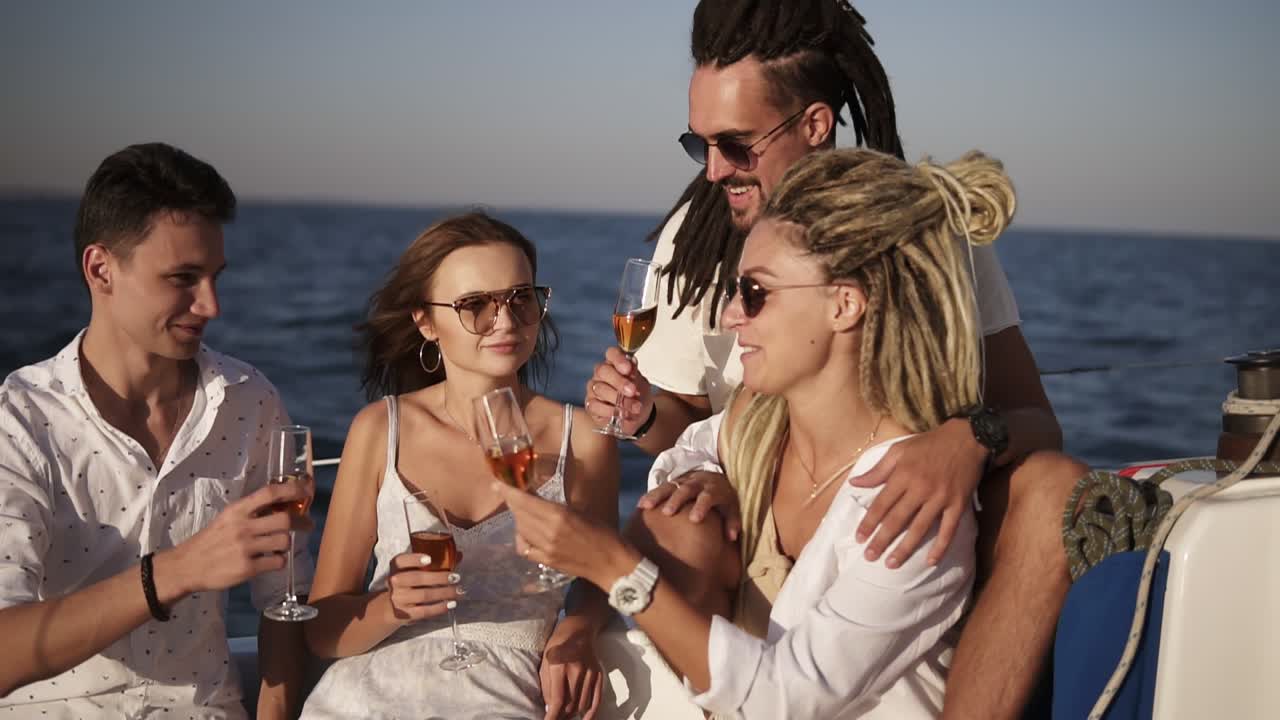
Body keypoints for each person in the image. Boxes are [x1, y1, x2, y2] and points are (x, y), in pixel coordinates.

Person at [583, 3, 1085, 716]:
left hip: (897, 496)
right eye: (700, 146)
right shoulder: (690, 244)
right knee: (676, 518)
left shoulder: (924, 238)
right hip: (757, 493)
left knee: (1052, 488)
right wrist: (669, 439)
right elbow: (686, 422)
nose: (714, 170)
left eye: (735, 143)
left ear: (814, 125)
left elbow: (1035, 417)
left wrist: (963, 443)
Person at [501, 146, 1040, 718]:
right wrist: (709, 477)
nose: (732, 315)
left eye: (754, 293)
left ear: (845, 305)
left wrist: (613, 566)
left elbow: (788, 697)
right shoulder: (761, 423)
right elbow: (690, 449)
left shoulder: (911, 503)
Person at [0, 142, 314, 719]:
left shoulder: (250, 401)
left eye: (215, 276)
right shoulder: (19, 420)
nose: (211, 304)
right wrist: (180, 569)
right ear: (101, 270)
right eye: (183, 278)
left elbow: (284, 605)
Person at [300, 212, 619, 720]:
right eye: (475, 305)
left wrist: (579, 630)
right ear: (425, 321)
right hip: (363, 699)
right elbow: (321, 631)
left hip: (504, 699)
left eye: (521, 299)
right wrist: (391, 607)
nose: (507, 322)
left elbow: (604, 580)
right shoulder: (380, 430)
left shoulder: (580, 439)